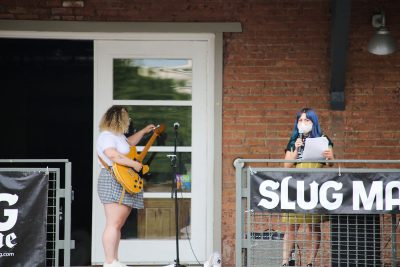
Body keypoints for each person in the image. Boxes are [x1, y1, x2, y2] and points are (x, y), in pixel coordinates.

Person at [96, 106, 155, 267]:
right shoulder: (106, 136)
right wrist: (135, 165)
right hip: (113, 179)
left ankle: (114, 260)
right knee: (113, 223)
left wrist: (143, 131)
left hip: (123, 180)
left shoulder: (118, 136)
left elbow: (129, 143)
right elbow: (113, 156)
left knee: (117, 224)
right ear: (117, 118)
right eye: (126, 117)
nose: (128, 121)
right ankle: (109, 262)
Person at [281, 108, 334, 267]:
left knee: (313, 226)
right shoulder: (294, 141)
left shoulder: (323, 139)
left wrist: (330, 157)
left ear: (314, 122)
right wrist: (296, 148)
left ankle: (310, 262)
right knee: (291, 226)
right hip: (295, 187)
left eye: (307, 120)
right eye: (300, 120)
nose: (303, 123)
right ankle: (285, 262)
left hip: (315, 188)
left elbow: (331, 164)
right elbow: (286, 165)